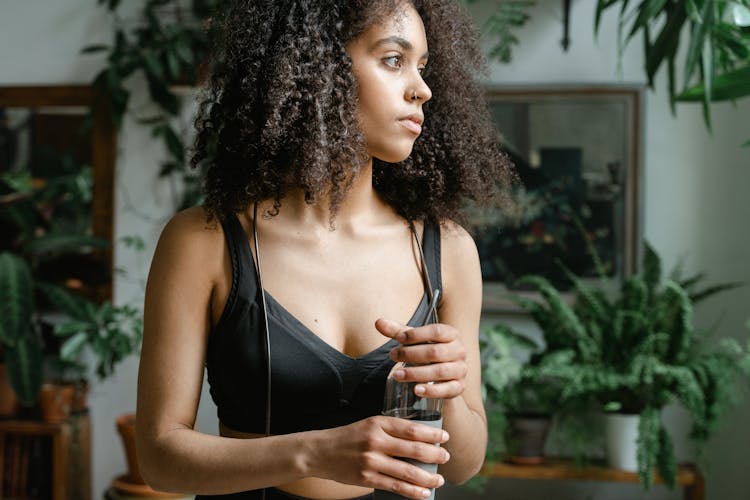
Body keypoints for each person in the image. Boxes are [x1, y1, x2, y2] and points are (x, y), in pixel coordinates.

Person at [135, 1, 514, 499]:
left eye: (423, 67)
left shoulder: (446, 249)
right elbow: (159, 458)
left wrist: (447, 391)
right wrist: (315, 453)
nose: (423, 88)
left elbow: (463, 464)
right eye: (394, 59)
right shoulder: (203, 242)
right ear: (321, 66)